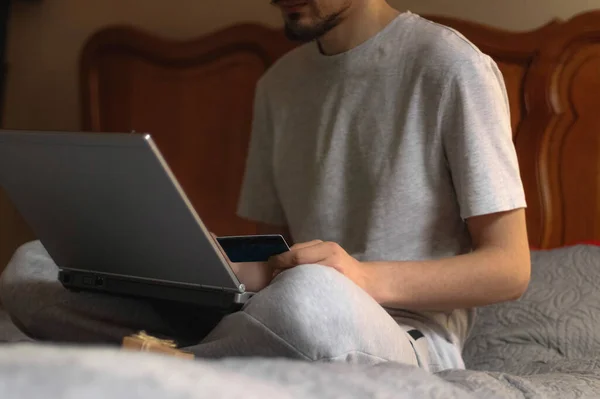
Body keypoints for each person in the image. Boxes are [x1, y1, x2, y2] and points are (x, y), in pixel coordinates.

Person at [0, 0, 530, 372]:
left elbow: (509, 270)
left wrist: (361, 278)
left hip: (400, 335)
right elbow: (272, 256)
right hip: (271, 314)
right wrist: (190, 265)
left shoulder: (452, 66)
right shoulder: (278, 84)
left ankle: (175, 363)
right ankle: (200, 357)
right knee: (29, 267)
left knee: (311, 297)